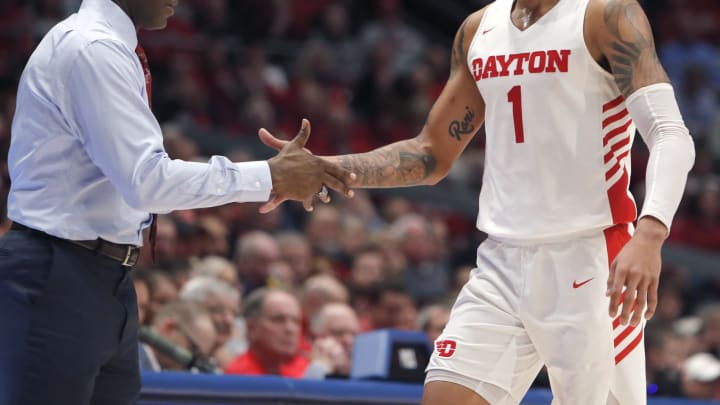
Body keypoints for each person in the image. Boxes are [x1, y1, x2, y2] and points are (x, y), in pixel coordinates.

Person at [261, 0, 695, 403]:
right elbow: (431, 153)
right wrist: (329, 167)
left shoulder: (606, 15)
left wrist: (651, 234)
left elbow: (670, 134)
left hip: (592, 257)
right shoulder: (478, 28)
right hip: (501, 263)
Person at [0, 1, 355, 404]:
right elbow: (147, 182)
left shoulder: (110, 46)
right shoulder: (92, 47)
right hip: (58, 271)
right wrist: (269, 176)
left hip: (103, 274)